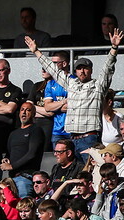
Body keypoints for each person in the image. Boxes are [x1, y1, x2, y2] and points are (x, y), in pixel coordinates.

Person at [27, 29, 124, 159]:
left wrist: (114, 48)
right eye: (79, 68)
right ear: (75, 71)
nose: (82, 71)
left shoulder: (98, 85)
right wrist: (36, 51)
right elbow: (53, 69)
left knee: (90, 172)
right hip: (71, 139)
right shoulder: (71, 83)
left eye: (85, 68)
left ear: (91, 70)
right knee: (76, 175)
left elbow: (108, 69)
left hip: (89, 138)